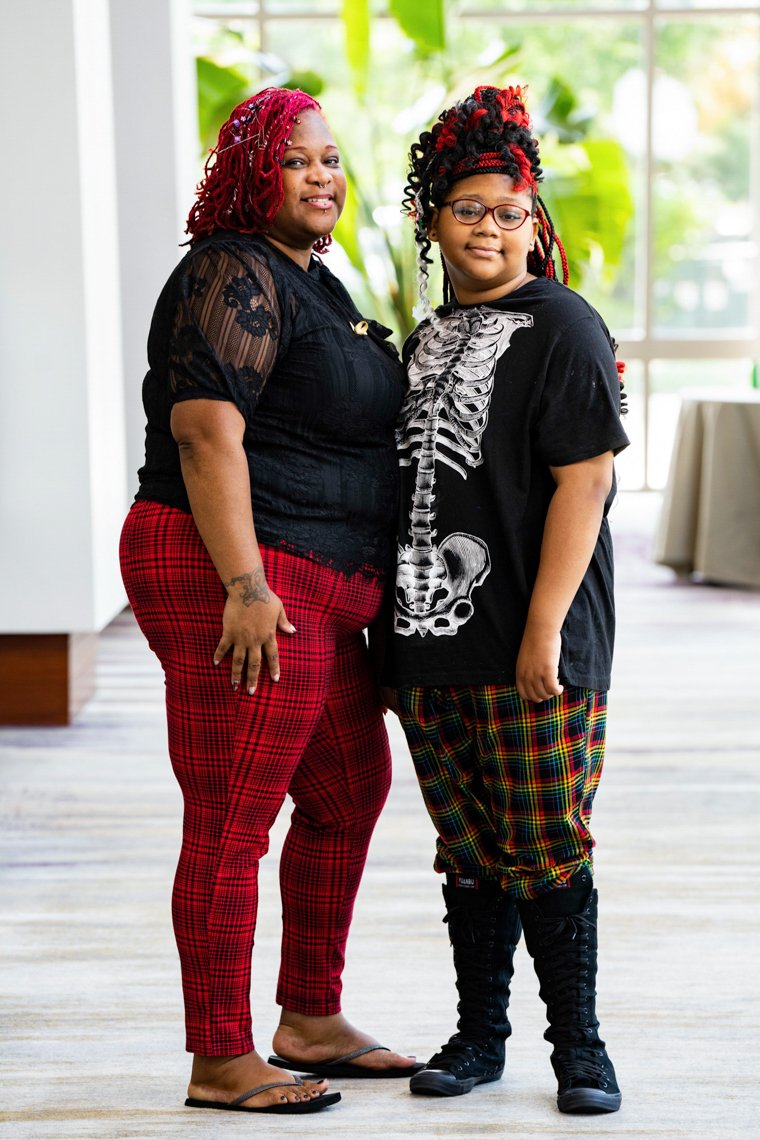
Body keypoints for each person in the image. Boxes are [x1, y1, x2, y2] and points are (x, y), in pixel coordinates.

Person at [119, 86, 421, 1116]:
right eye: (298, 160)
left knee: (346, 792)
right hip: (241, 573)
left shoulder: (312, 283)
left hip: (317, 582)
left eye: (331, 159)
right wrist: (243, 584)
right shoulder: (231, 269)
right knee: (232, 817)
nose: (322, 176)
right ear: (253, 172)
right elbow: (205, 432)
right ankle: (219, 1057)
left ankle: (310, 1018)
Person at [387, 85, 630, 1114]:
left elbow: (586, 482)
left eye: (508, 211)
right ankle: (479, 1036)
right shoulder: (426, 336)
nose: (488, 228)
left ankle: (580, 1049)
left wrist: (542, 632)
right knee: (468, 853)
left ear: (534, 222)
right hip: (431, 639)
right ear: (432, 221)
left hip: (534, 640)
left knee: (545, 845)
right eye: (467, 210)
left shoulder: (565, 325)